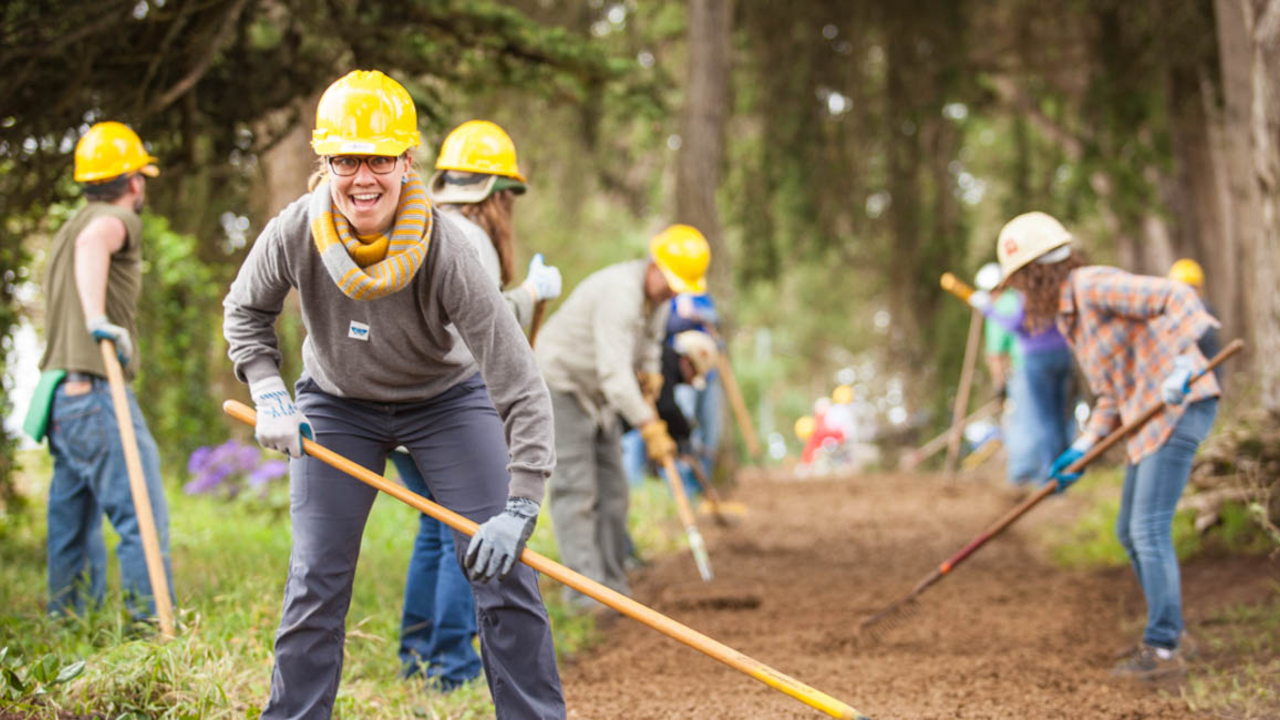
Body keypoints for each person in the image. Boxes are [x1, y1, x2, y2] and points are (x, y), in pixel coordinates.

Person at [222, 70, 563, 718]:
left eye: (378, 158)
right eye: (347, 159)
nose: (363, 178)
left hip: (446, 400)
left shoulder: (448, 249)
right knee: (316, 581)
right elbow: (244, 312)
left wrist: (521, 506)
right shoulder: (295, 230)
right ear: (325, 162)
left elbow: (518, 382)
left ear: (408, 162)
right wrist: (268, 392)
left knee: (504, 575)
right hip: (336, 402)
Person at [996, 211, 1221, 681]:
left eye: (1018, 281)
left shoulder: (1093, 285)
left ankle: (1163, 649)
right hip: (1146, 418)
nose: (1018, 294)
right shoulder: (1072, 318)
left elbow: (1177, 295)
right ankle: (1173, 632)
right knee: (1129, 530)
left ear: (1037, 272)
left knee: (1148, 529)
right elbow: (1112, 395)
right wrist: (1084, 448)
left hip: (1181, 406)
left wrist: (1183, 362)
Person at [388, 119, 562, 692]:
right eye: (508, 195)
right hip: (442, 408)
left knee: (432, 530)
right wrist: (531, 294)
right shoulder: (472, 238)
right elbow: (484, 327)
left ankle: (416, 656)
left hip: (395, 406)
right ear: (494, 193)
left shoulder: (419, 223)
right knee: (463, 535)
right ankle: (452, 667)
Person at [34, 121, 174, 621]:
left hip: (61, 400)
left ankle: (70, 625)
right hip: (96, 393)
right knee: (142, 513)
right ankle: (151, 635)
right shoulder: (116, 220)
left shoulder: (68, 224)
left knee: (71, 524)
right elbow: (98, 242)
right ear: (134, 182)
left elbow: (85, 241)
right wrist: (99, 320)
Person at [535, 224, 710, 610]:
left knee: (614, 490)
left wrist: (651, 375)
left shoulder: (659, 301)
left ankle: (612, 587)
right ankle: (584, 594)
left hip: (600, 396)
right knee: (577, 489)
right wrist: (650, 426)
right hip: (563, 384)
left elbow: (648, 345)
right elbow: (615, 376)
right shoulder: (620, 294)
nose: (674, 291)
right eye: (672, 282)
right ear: (654, 264)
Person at [969, 261, 1076, 481]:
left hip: (1032, 363)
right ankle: (1066, 470)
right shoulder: (1045, 289)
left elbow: (1000, 346)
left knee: (1041, 420)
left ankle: (1047, 476)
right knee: (1061, 416)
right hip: (1063, 355)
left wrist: (989, 311)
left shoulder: (1013, 301)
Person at [653, 330, 720, 499]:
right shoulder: (663, 364)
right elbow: (665, 406)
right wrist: (683, 430)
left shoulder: (666, 364)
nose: (691, 381)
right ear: (686, 362)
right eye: (695, 373)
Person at [1168, 258, 1222, 381]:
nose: (1188, 293)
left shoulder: (1205, 313)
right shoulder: (1167, 315)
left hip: (1204, 380)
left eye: (1192, 288)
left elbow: (1212, 351)